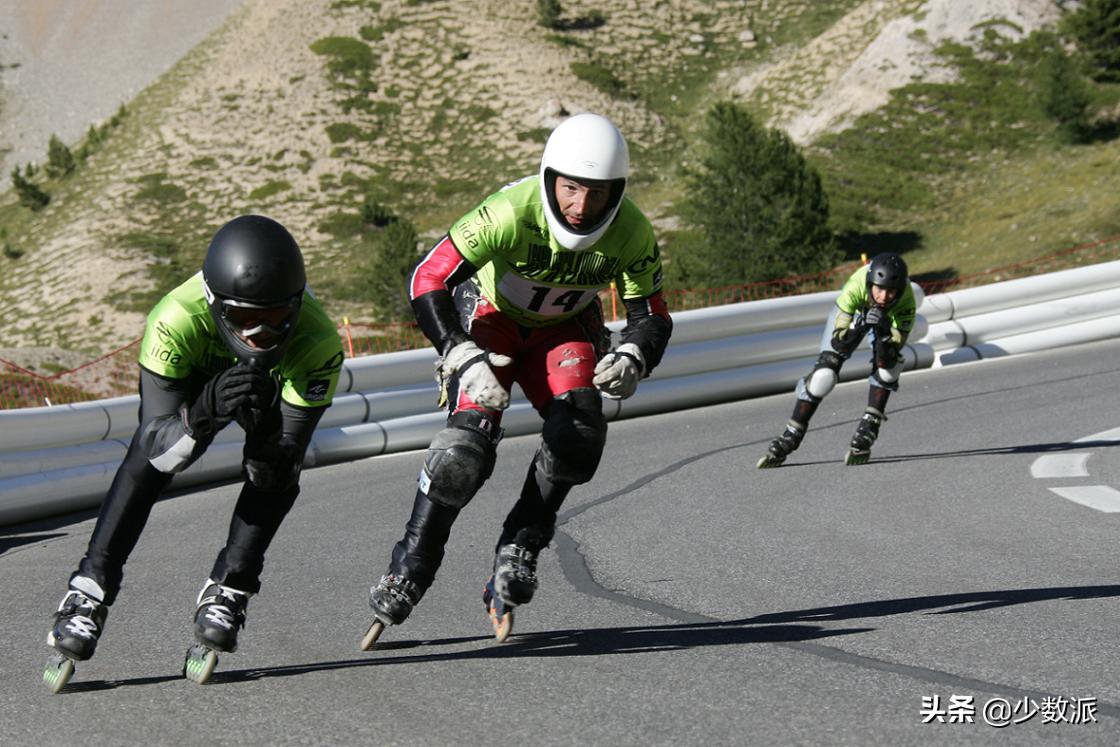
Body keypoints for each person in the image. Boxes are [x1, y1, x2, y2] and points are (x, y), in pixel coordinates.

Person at [363, 112, 672, 644]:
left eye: (596, 195)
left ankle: (522, 544)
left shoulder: (633, 232)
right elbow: (426, 276)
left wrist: (634, 356)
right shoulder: (508, 211)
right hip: (490, 319)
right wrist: (457, 350)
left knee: (579, 435)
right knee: (464, 450)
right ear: (549, 177)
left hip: (564, 330)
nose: (580, 209)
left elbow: (652, 315)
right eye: (571, 189)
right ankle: (410, 565)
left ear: (617, 192)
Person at [44, 215, 344, 691]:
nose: (260, 337)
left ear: (296, 308)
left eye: (276, 321)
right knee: (147, 464)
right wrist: (203, 409)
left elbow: (285, 462)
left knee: (274, 473)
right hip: (193, 385)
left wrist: (265, 428)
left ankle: (232, 585)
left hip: (267, 392)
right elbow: (158, 450)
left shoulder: (319, 340)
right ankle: (89, 589)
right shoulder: (174, 317)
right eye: (246, 320)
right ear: (216, 306)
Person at [757, 252, 916, 468]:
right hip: (856, 313)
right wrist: (860, 326)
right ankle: (792, 432)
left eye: (891, 292)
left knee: (889, 368)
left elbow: (886, 358)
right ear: (870, 284)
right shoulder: (854, 289)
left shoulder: (906, 302)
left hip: (889, 320)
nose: (884, 297)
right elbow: (839, 344)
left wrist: (884, 331)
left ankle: (870, 424)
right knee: (824, 374)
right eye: (880, 289)